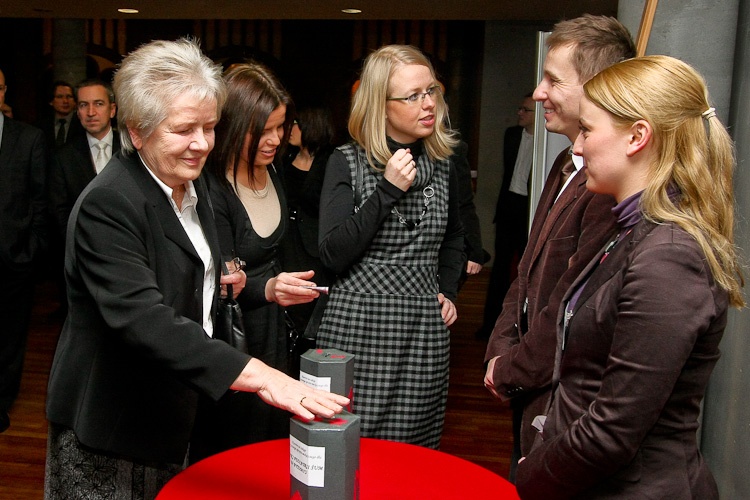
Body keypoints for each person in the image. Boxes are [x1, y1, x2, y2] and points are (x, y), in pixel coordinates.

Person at [44, 39, 348, 499]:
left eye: (209, 127)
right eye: (184, 129)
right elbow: (145, 319)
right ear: (137, 131)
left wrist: (250, 288)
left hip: (174, 412)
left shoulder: (193, 184)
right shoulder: (109, 203)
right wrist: (263, 376)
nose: (202, 143)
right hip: (111, 425)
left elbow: (199, 286)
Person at [516, 55, 744, 499]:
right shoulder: (631, 231)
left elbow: (613, 431)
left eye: (587, 130)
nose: (578, 148)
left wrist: (532, 476)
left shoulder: (669, 257)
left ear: (638, 136)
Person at [483, 14, 635, 480]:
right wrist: (499, 351)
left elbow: (568, 303)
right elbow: (526, 274)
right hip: (531, 388)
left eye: (553, 80)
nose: (538, 93)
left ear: (597, 86)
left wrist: (510, 370)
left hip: (563, 402)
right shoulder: (565, 163)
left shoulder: (610, 187)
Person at [316, 44, 464, 449]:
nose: (428, 104)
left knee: (414, 446)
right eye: (412, 96)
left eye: (431, 91)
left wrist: (448, 290)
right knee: (346, 442)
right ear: (381, 106)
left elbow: (455, 237)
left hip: (421, 326)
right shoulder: (347, 161)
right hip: (358, 322)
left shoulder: (444, 163)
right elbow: (332, 253)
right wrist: (387, 192)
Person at [193, 62, 323, 461]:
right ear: (232, 127)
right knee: (234, 447)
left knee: (272, 440)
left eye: (281, 127)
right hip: (233, 333)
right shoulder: (210, 188)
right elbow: (215, 284)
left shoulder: (273, 169)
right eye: (263, 130)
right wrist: (266, 288)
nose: (275, 139)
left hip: (274, 328)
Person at [0, 67, 48, 434]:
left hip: (12, 259)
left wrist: (29, 250)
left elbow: (39, 200)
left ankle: (1, 401)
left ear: (4, 91)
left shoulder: (28, 138)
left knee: (9, 337)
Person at [47, 79, 120, 318]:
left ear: (112, 109)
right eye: (83, 105)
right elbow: (59, 211)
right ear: (77, 112)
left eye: (98, 104)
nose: (90, 112)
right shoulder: (63, 157)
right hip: (83, 259)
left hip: (131, 256)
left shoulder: (133, 150)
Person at [476, 92, 535, 339]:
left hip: (529, 210)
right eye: (520, 108)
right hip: (508, 207)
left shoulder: (544, 143)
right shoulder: (511, 135)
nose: (519, 113)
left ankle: (522, 331)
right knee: (499, 269)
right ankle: (489, 327)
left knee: (528, 272)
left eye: (525, 110)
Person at [281, 106, 337, 332]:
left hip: (312, 246)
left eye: (295, 124)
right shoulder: (285, 157)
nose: (289, 129)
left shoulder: (330, 161)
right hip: (286, 241)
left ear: (310, 127)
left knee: (308, 298)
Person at [35, 80, 84, 154]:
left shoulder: (82, 124)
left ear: (75, 101)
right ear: (51, 101)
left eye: (69, 97)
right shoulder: (41, 126)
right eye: (60, 97)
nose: (65, 101)